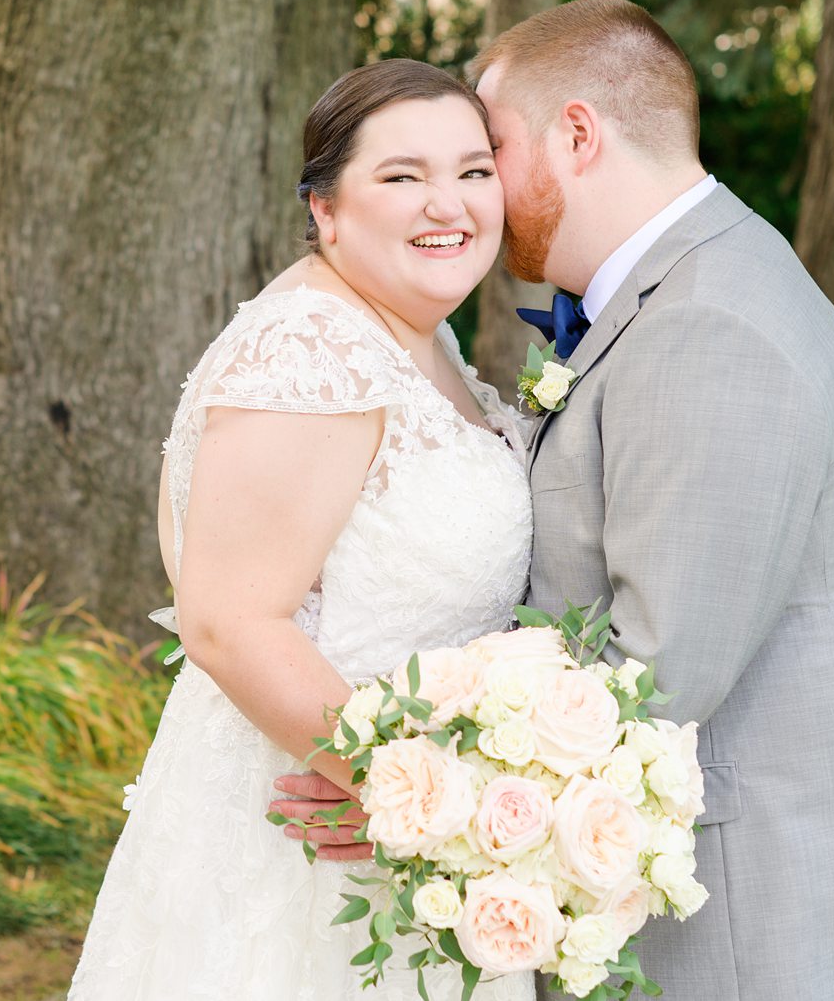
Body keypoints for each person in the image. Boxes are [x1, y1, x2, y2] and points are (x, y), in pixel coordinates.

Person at [275, 0, 834, 1000]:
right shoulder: (692, 286)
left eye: (491, 148)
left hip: (755, 930)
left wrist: (416, 792)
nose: (481, 187)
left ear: (577, 134)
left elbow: (654, 673)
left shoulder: (712, 326)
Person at [66, 59, 537, 1000]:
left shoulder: (411, 330)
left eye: (473, 171)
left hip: (404, 847)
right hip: (317, 848)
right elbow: (229, 623)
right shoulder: (312, 347)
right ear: (326, 209)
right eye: (402, 177)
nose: (448, 203)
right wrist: (406, 800)